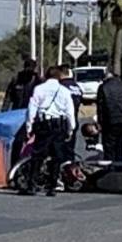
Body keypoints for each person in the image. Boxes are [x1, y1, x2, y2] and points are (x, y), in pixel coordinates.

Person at [25, 66, 77, 196]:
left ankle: (32, 184)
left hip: (43, 125)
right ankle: (52, 186)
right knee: (57, 156)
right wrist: (71, 128)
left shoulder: (39, 89)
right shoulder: (64, 91)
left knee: (38, 155)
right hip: (59, 125)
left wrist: (29, 126)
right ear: (59, 77)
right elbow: (70, 111)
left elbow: (32, 108)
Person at [95, 70, 122, 163]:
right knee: (120, 145)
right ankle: (120, 166)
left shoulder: (103, 88)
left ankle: (110, 168)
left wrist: (99, 122)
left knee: (109, 147)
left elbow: (100, 107)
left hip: (108, 121)